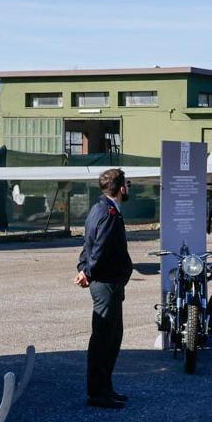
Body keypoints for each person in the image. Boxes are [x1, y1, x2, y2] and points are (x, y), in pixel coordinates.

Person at [75, 168, 133, 409]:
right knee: (103, 341)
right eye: (127, 184)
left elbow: (87, 244)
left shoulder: (99, 208)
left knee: (112, 338)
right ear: (121, 189)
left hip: (107, 282)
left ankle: (105, 389)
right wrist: (87, 271)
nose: (128, 188)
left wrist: (82, 267)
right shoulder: (108, 213)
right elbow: (99, 248)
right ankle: (98, 394)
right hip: (106, 284)